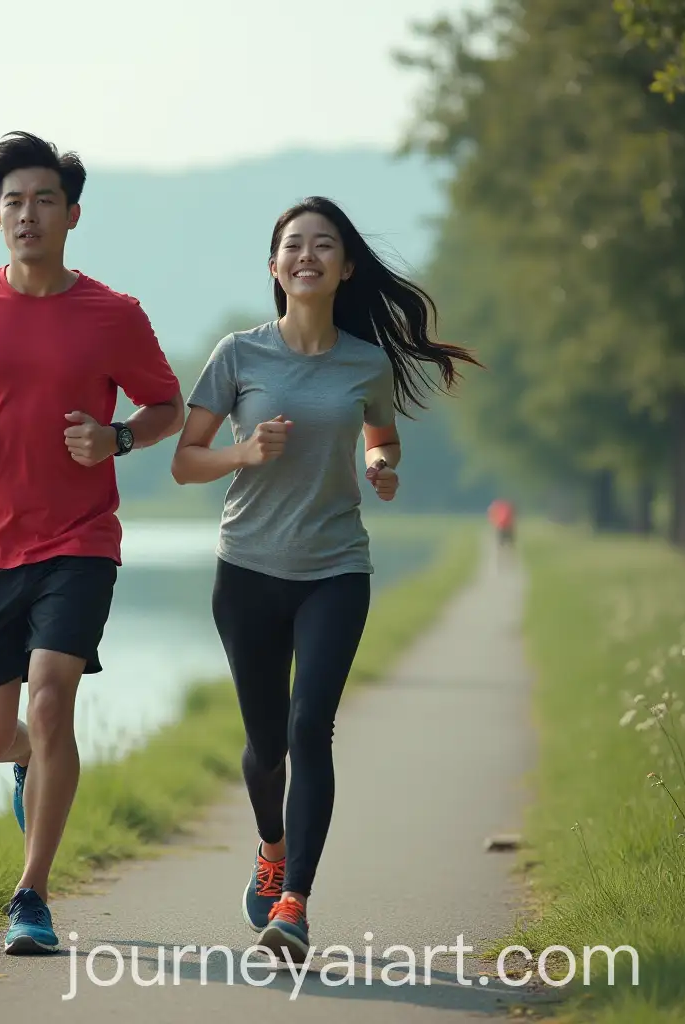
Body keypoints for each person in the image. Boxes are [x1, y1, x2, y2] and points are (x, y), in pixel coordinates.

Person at [171, 196, 480, 961]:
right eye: (293, 245)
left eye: (324, 245)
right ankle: (270, 849)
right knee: (266, 741)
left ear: (344, 268)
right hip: (246, 569)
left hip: (336, 568)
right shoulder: (237, 355)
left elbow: (382, 437)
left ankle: (295, 903)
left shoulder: (364, 362)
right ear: (275, 267)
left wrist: (379, 466)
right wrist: (244, 454)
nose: (307, 255)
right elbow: (184, 461)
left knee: (312, 727)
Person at [0, 131, 184, 955]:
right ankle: (31, 759)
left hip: (79, 538)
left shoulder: (114, 314)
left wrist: (120, 439)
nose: (28, 214)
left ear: (73, 214)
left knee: (52, 692)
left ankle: (31, 894)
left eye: (44, 200)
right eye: (14, 202)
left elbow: (164, 406)